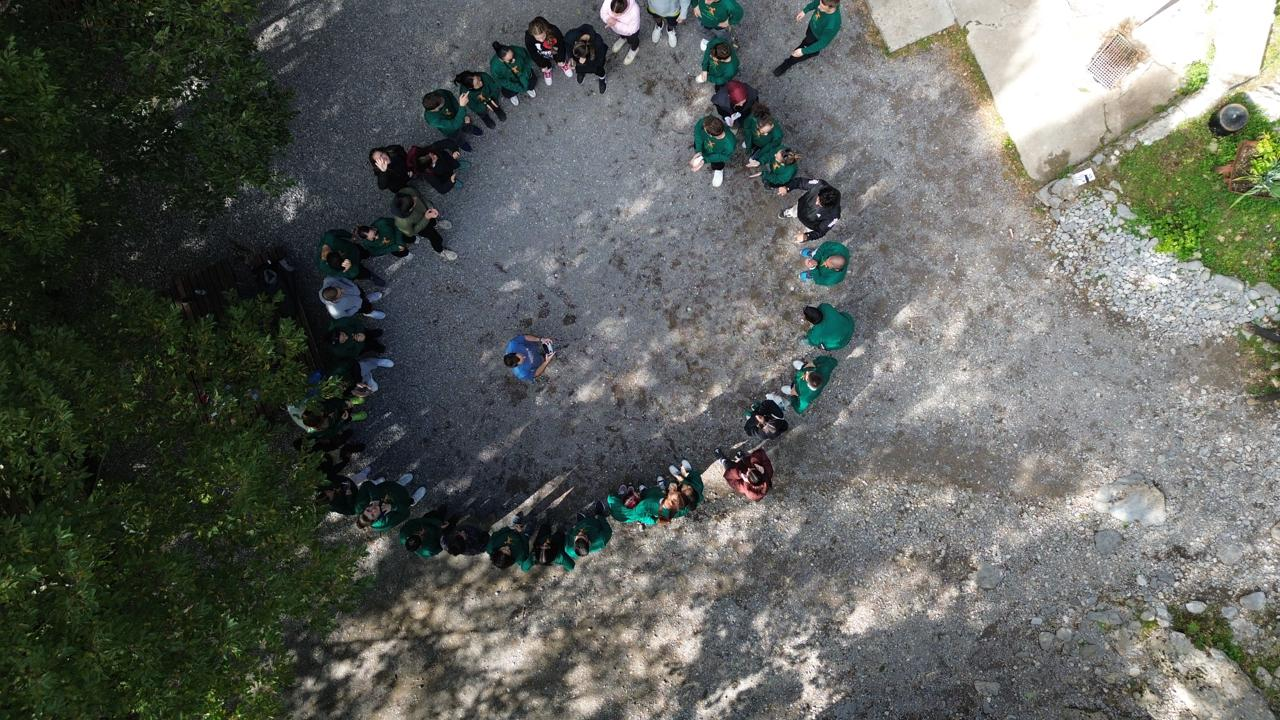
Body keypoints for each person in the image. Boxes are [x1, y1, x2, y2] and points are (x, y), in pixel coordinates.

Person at [773, 0, 842, 77]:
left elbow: (822, 43)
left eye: (821, 7)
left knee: (799, 52)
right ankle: (814, 51)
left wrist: (803, 51)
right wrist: (804, 11)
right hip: (812, 28)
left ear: (831, 7)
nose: (818, 7)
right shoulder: (823, 2)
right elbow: (815, 3)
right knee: (808, 40)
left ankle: (787, 64)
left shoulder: (833, 23)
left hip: (816, 38)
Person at [392, 187, 457, 261]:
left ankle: (436, 224)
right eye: (414, 202)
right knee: (435, 238)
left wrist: (430, 207)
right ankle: (440, 250)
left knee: (433, 221)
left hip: (426, 212)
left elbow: (421, 197)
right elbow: (411, 233)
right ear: (409, 210)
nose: (415, 198)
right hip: (422, 227)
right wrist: (426, 218)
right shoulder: (402, 222)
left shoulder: (407, 191)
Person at [354, 473, 425, 531]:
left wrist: (375, 499)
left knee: (397, 485)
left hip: (390, 487)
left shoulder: (360, 505)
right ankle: (413, 500)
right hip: (403, 500)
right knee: (408, 502)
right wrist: (392, 507)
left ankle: (400, 483)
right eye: (373, 514)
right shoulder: (384, 522)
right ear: (376, 519)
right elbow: (406, 513)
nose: (373, 509)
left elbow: (367, 484)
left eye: (368, 510)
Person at [315, 229, 381, 285]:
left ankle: (368, 254)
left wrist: (350, 236)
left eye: (341, 253)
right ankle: (370, 276)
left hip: (354, 249)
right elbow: (351, 274)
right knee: (362, 273)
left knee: (363, 252)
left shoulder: (330, 238)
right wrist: (350, 268)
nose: (342, 253)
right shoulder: (324, 267)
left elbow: (339, 232)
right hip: (354, 264)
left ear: (335, 251)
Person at [691, 115, 735, 188]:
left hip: (716, 155)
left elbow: (722, 157)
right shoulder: (707, 121)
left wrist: (704, 160)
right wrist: (699, 151)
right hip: (704, 147)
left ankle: (718, 169)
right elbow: (698, 130)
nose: (703, 127)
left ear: (710, 135)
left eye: (704, 129)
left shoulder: (730, 144)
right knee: (698, 146)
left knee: (717, 162)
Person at [525, 17, 573, 84]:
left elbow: (561, 45)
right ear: (532, 35)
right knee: (544, 63)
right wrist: (542, 65)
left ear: (546, 30)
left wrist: (561, 59)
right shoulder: (529, 37)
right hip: (541, 54)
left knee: (558, 56)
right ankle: (547, 70)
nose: (541, 40)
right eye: (538, 38)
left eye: (543, 36)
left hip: (554, 51)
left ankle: (562, 64)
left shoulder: (554, 31)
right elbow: (533, 53)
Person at [567, 23, 609, 93]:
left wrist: (579, 67)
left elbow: (597, 64)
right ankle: (581, 72)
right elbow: (567, 42)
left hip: (595, 62)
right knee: (578, 63)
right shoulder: (574, 35)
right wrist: (571, 57)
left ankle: (602, 79)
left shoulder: (598, 44)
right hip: (583, 58)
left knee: (599, 70)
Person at [320, 276, 385, 320]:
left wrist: (352, 285)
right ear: (335, 300)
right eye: (341, 294)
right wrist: (357, 307)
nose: (343, 290)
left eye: (339, 288)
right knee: (365, 307)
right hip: (358, 305)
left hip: (355, 290)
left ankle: (368, 298)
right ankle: (368, 312)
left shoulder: (329, 280)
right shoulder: (335, 312)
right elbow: (348, 314)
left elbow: (341, 278)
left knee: (363, 295)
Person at [601, 0, 642, 66]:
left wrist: (615, 23)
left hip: (630, 33)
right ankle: (623, 38)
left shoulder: (634, 11)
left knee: (633, 41)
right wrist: (607, 19)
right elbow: (603, 12)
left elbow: (632, 29)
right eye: (612, 11)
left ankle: (634, 49)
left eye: (618, 14)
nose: (614, 15)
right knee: (621, 34)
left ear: (625, 9)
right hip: (619, 30)